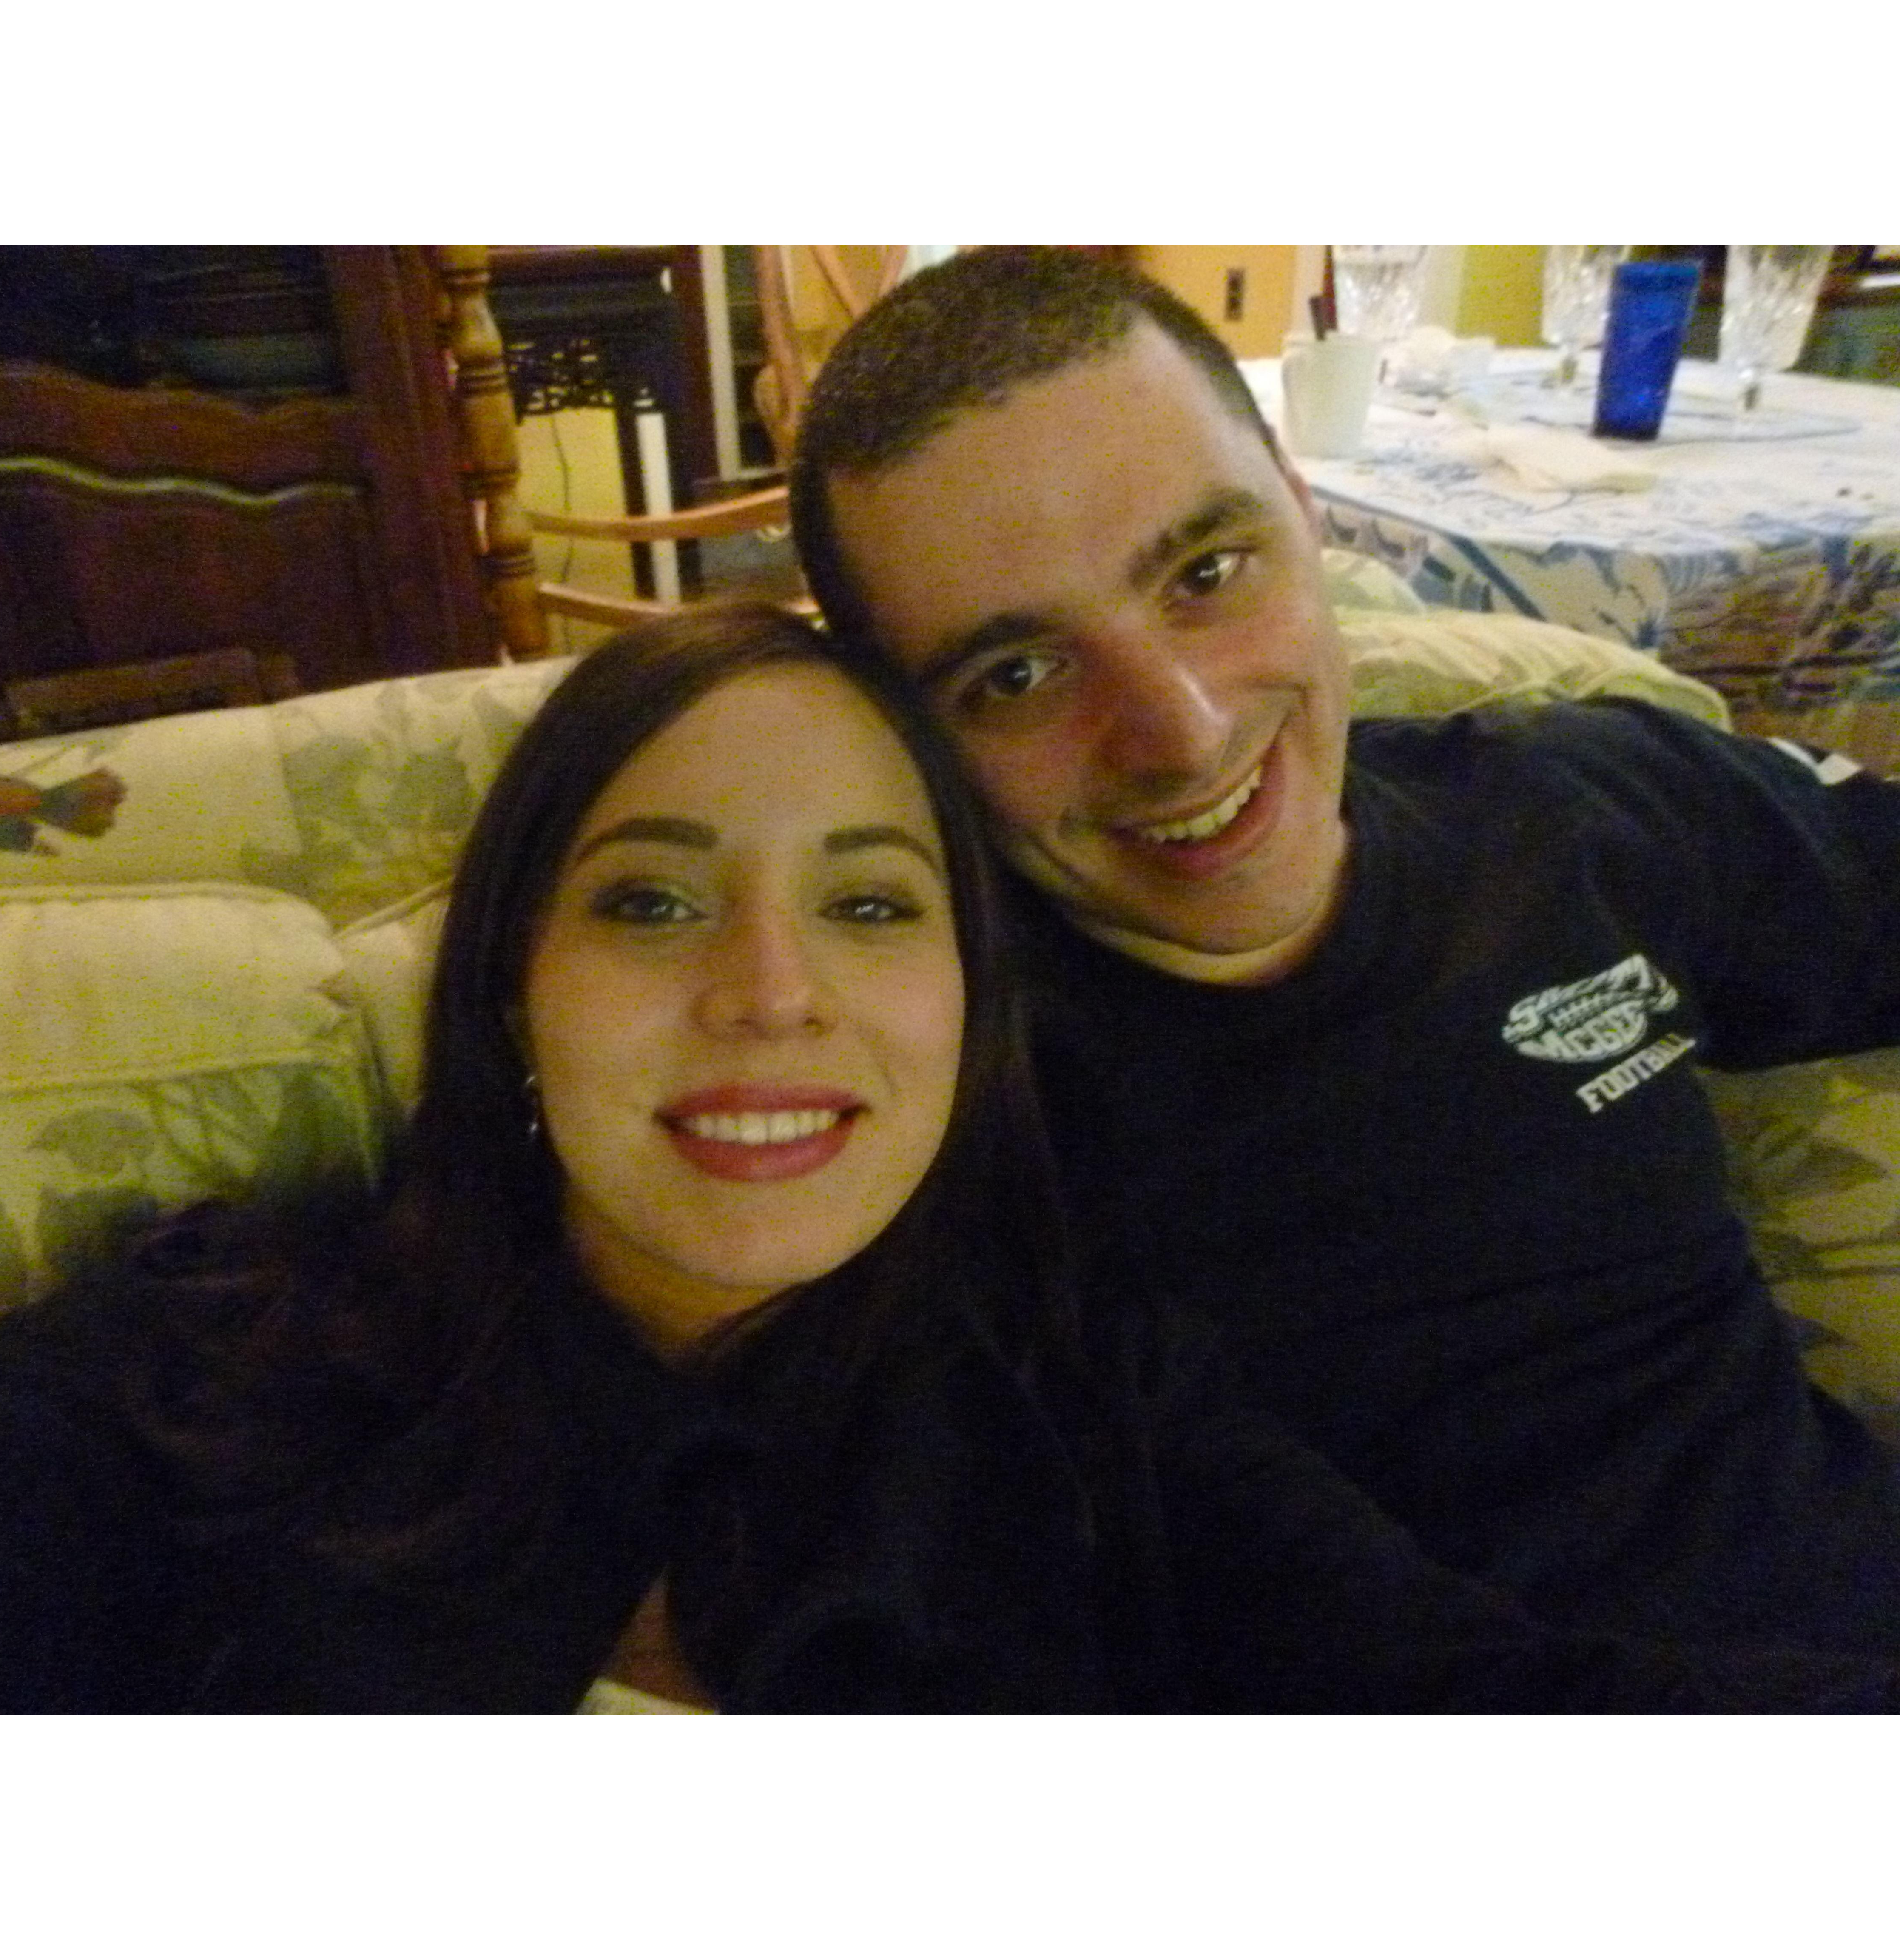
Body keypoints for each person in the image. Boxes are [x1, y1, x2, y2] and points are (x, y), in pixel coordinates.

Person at [0, 602, 1900, 1712]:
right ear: (512, 986)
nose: (770, 994)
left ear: (971, 1008)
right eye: (651, 903)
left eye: (873, 906)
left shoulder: (1090, 1403)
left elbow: (1481, 1710)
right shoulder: (193, 1366)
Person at [788, 246, 1900, 1658]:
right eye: (1017, 675)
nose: (1183, 733)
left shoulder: (1571, 808)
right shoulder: (922, 1102)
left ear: (1306, 513)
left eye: (1207, 571)